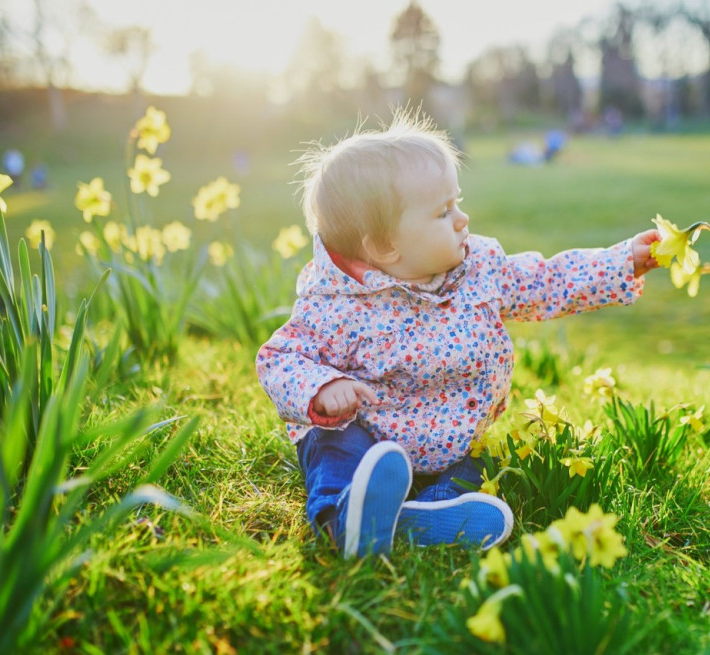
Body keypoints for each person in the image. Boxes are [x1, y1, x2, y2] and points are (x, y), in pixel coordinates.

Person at [255, 109, 660, 559]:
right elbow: (279, 359)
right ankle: (344, 518)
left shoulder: (480, 270)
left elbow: (547, 279)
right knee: (335, 447)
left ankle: (427, 514)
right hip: (370, 434)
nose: (463, 219)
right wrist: (323, 387)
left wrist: (621, 262)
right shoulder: (336, 302)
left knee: (481, 464)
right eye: (443, 212)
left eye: (457, 203)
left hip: (454, 437)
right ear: (386, 246)